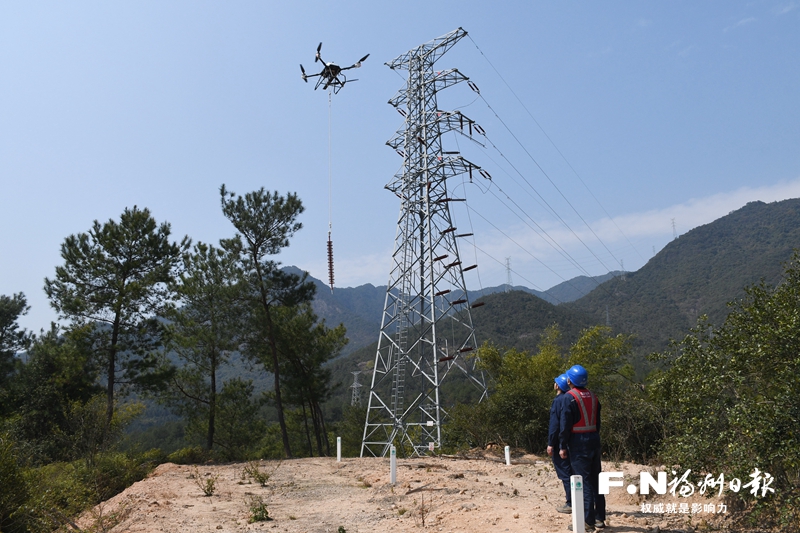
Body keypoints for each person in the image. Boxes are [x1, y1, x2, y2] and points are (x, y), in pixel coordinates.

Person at [559, 364, 606, 531]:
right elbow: (597, 422)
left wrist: (562, 445)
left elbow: (565, 424)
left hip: (578, 443)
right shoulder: (594, 396)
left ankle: (587, 522)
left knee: (583, 481)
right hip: (594, 439)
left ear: (570, 380)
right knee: (596, 480)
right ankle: (600, 518)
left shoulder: (569, 397)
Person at [548, 373, 573, 514]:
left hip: (559, 443)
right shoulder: (570, 399)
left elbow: (555, 425)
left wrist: (551, 443)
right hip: (572, 442)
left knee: (565, 473)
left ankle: (570, 503)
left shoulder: (558, 401)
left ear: (558, 386)